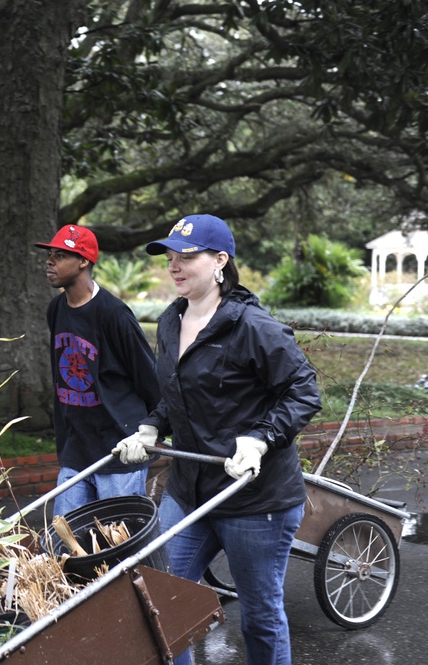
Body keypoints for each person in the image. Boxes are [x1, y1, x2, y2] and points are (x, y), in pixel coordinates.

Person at [112, 214, 322, 664]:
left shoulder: (254, 327)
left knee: (259, 616)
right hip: (190, 490)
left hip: (255, 498)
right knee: (160, 603)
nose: (175, 266)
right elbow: (179, 393)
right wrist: (151, 426)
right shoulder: (171, 321)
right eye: (171, 257)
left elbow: (304, 392)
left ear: (221, 261)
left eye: (187, 257)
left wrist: (260, 439)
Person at [34, 224, 160, 517]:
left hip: (118, 447)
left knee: (120, 540)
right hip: (75, 447)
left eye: (60, 255)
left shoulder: (114, 314)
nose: (50, 262)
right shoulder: (56, 309)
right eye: (49, 255)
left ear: (83, 261)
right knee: (66, 539)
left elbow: (147, 375)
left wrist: (154, 428)